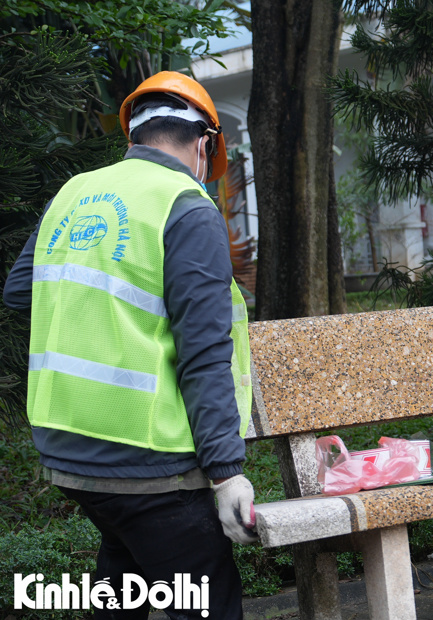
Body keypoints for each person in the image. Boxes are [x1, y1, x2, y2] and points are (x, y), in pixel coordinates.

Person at [3, 71, 256, 619]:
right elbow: (205, 351)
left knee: (124, 581)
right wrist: (227, 472)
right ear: (203, 144)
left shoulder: (74, 193)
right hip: (147, 461)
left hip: (67, 444)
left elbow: (20, 291)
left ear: (132, 138)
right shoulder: (187, 207)